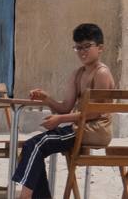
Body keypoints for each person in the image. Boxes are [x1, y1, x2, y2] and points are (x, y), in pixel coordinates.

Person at [11, 23, 116, 199]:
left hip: (95, 130)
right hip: (80, 128)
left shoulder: (102, 73)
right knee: (32, 146)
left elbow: (97, 112)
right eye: (78, 47)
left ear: (100, 48)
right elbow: (66, 106)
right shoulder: (78, 74)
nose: (82, 51)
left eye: (87, 46)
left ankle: (25, 196)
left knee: (36, 144)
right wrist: (46, 99)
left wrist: (60, 119)